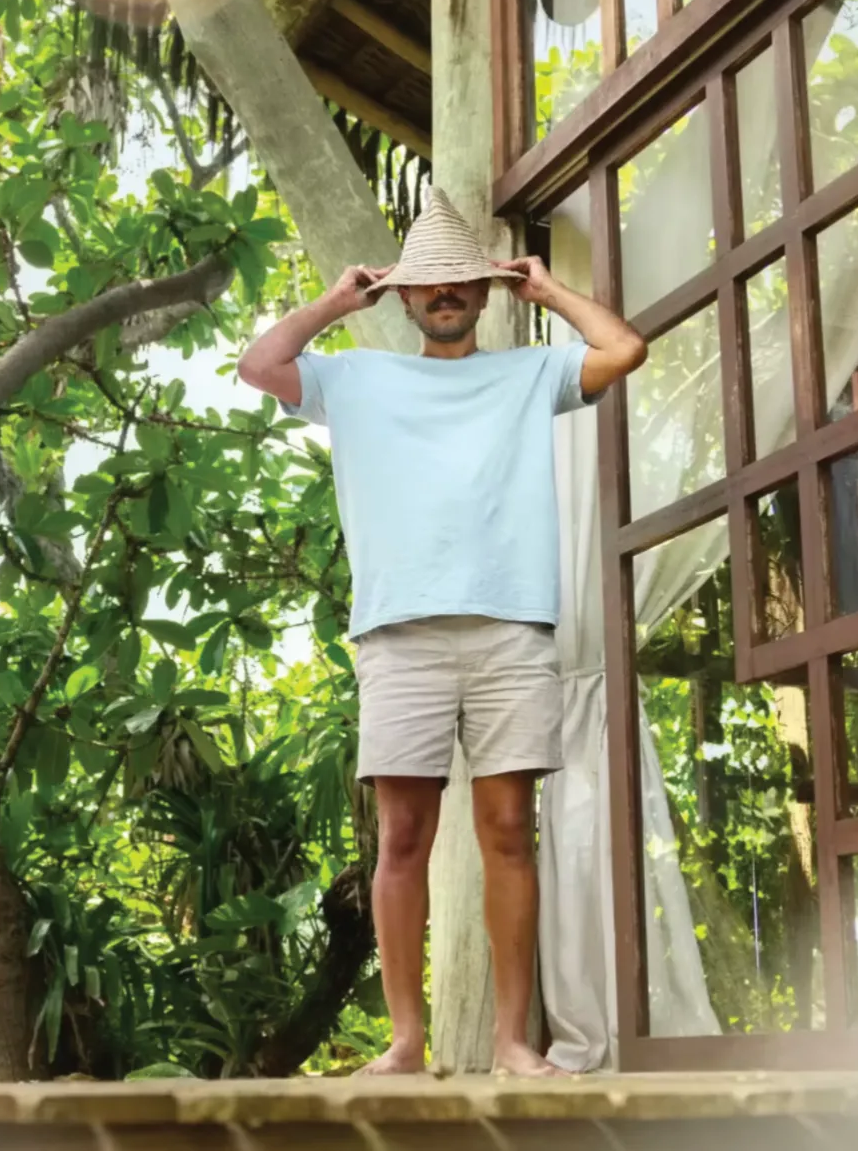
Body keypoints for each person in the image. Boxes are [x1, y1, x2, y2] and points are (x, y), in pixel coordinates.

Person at [234, 191, 647, 1077]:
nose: (445, 292)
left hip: (510, 629)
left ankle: (510, 1041)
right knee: (401, 837)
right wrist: (336, 301)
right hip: (399, 634)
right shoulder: (354, 377)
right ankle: (405, 1042)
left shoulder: (529, 373)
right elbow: (259, 365)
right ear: (404, 296)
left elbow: (623, 349)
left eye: (460, 279)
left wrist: (548, 290)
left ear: (485, 291)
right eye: (427, 282)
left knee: (508, 829)